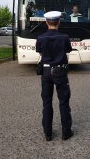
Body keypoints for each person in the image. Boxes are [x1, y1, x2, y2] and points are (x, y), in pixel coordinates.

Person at [36, 11, 74, 141]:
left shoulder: (40, 38)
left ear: (46, 22)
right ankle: (66, 132)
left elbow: (40, 52)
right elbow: (68, 50)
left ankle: (48, 134)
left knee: (47, 103)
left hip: (46, 72)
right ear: (59, 22)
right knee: (63, 102)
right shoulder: (64, 37)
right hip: (60, 72)